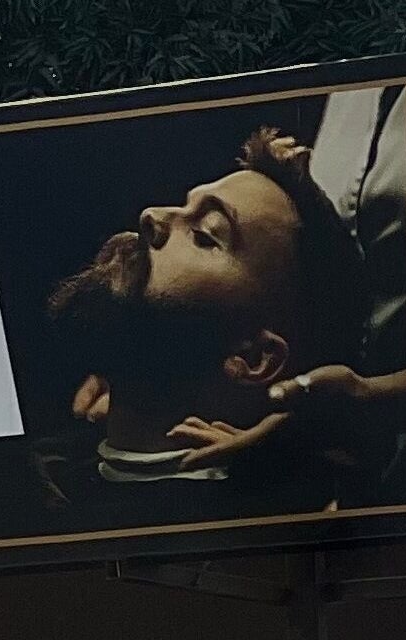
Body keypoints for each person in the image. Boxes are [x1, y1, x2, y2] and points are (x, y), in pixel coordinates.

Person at [44, 125, 374, 483]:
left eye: (204, 235)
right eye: (184, 205)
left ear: (251, 357)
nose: (151, 215)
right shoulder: (26, 486)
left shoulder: (294, 531)